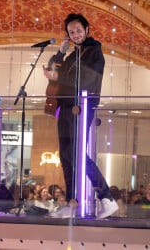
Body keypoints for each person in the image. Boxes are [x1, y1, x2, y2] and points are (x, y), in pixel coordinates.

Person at [43, 13, 117, 218]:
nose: (75, 34)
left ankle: (107, 198)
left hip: (81, 108)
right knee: (66, 155)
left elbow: (84, 80)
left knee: (76, 154)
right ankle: (72, 202)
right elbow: (53, 71)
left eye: (78, 30)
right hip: (66, 107)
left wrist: (59, 76)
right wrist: (60, 52)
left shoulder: (94, 51)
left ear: (87, 30)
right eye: (71, 32)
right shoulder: (74, 54)